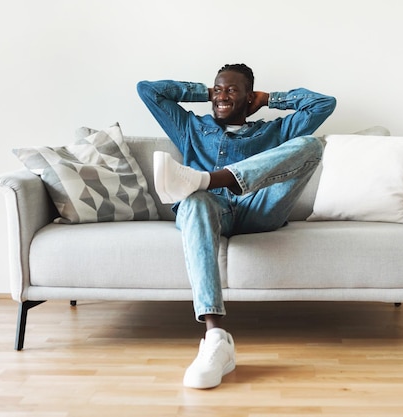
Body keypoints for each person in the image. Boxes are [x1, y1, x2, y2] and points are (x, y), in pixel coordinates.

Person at [137, 64, 336, 389]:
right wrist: (205, 92)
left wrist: (271, 98)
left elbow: (323, 104)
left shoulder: (272, 131)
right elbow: (148, 89)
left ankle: (206, 179)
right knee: (193, 201)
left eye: (231, 89)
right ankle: (216, 338)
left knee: (311, 146)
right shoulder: (191, 127)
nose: (222, 94)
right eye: (218, 89)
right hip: (208, 208)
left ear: (248, 97)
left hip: (259, 208)